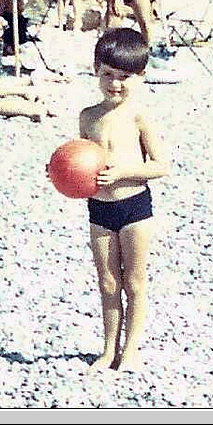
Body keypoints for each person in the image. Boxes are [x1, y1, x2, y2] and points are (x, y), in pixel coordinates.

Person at [79, 28, 170, 371]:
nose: (115, 84)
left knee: (134, 281)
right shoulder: (88, 116)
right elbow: (81, 159)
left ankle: (130, 350)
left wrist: (123, 172)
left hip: (134, 207)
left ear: (141, 77)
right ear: (96, 70)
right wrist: (61, 172)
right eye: (108, 75)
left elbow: (161, 166)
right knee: (107, 281)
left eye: (124, 77)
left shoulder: (138, 115)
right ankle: (108, 350)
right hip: (99, 208)